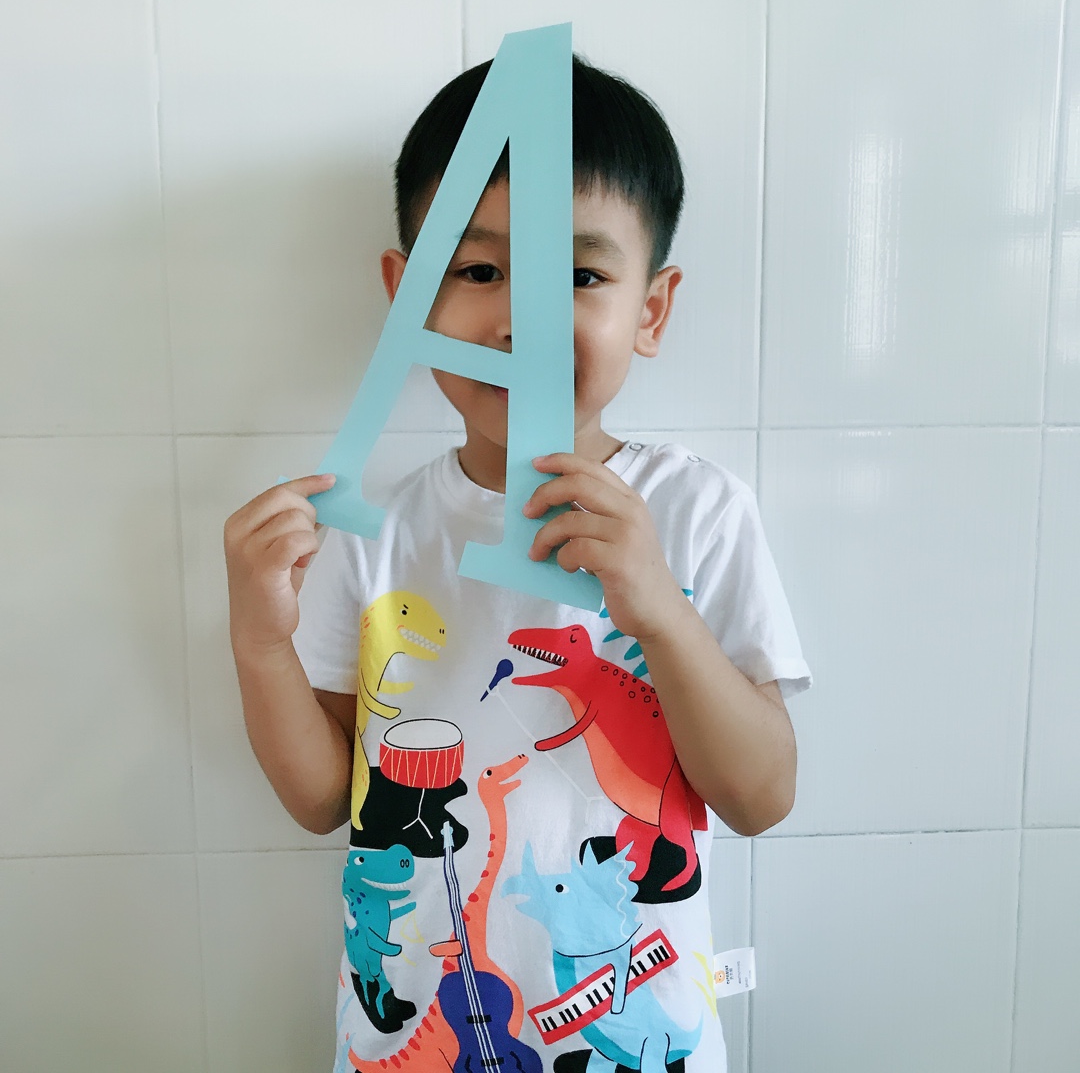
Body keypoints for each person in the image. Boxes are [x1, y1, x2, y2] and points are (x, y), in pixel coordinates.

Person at [225, 53, 810, 1073]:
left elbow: (761, 797)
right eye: (479, 271)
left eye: (580, 277)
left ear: (651, 310)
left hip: (644, 1039)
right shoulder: (370, 533)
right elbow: (323, 799)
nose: (522, 319)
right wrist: (258, 643)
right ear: (409, 299)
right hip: (416, 1038)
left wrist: (659, 610)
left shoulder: (699, 513)